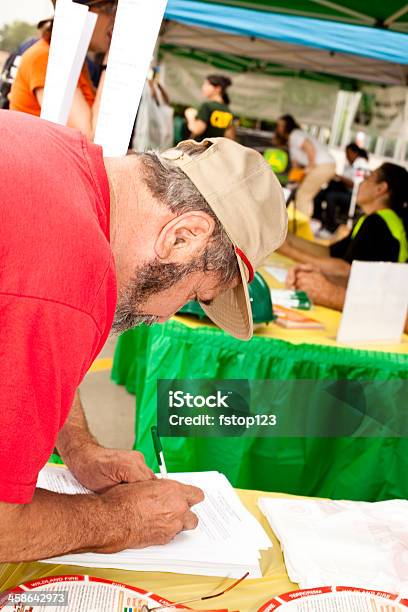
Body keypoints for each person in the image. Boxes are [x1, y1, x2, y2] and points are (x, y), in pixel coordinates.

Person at [0, 110, 287, 562]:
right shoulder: (70, 277)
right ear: (182, 238)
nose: (167, 318)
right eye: (194, 294)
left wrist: (80, 448)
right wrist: (117, 519)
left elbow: (27, 360)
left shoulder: (62, 155)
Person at [283, 163, 408, 303]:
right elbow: (329, 252)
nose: (361, 183)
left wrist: (288, 250)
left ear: (381, 188)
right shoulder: (375, 219)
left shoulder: (378, 223)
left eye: (369, 178)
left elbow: (346, 270)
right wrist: (285, 239)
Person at [9, 0, 115, 140]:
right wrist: (111, 64)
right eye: (110, 8)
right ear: (83, 10)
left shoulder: (73, 61)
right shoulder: (46, 58)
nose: (115, 18)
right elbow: (88, 141)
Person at [275, 114, 336, 217]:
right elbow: (296, 166)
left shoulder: (295, 135)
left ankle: (302, 225)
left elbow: (309, 147)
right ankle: (304, 221)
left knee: (303, 195)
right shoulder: (292, 139)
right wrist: (295, 181)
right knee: (305, 195)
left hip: (323, 166)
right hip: (325, 166)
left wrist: (311, 166)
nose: (279, 128)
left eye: (281, 125)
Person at [313, 143, 369, 234]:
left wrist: (338, 176)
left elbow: (354, 184)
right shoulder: (351, 164)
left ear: (354, 153)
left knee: (331, 196)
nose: (346, 156)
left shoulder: (361, 163)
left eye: (348, 154)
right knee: (321, 193)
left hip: (354, 195)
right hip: (345, 191)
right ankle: (318, 221)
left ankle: (330, 227)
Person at [184, 74, 235, 141]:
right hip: (215, 149)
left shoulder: (207, 106)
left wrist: (190, 116)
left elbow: (197, 130)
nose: (203, 87)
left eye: (207, 84)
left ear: (217, 88)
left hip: (201, 148)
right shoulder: (228, 110)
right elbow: (230, 137)